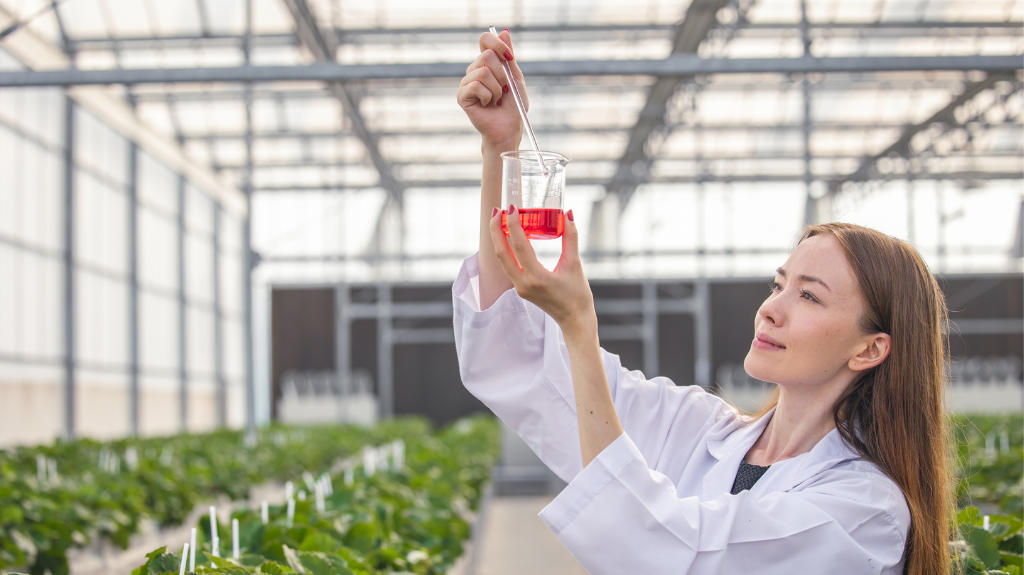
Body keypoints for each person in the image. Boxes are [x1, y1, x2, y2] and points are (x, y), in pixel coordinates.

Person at [453, 30, 952, 575]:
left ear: (870, 348)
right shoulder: (703, 431)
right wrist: (501, 152)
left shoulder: (863, 511)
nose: (771, 308)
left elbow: (665, 555)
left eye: (809, 295)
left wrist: (579, 322)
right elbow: (520, 362)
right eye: (778, 284)